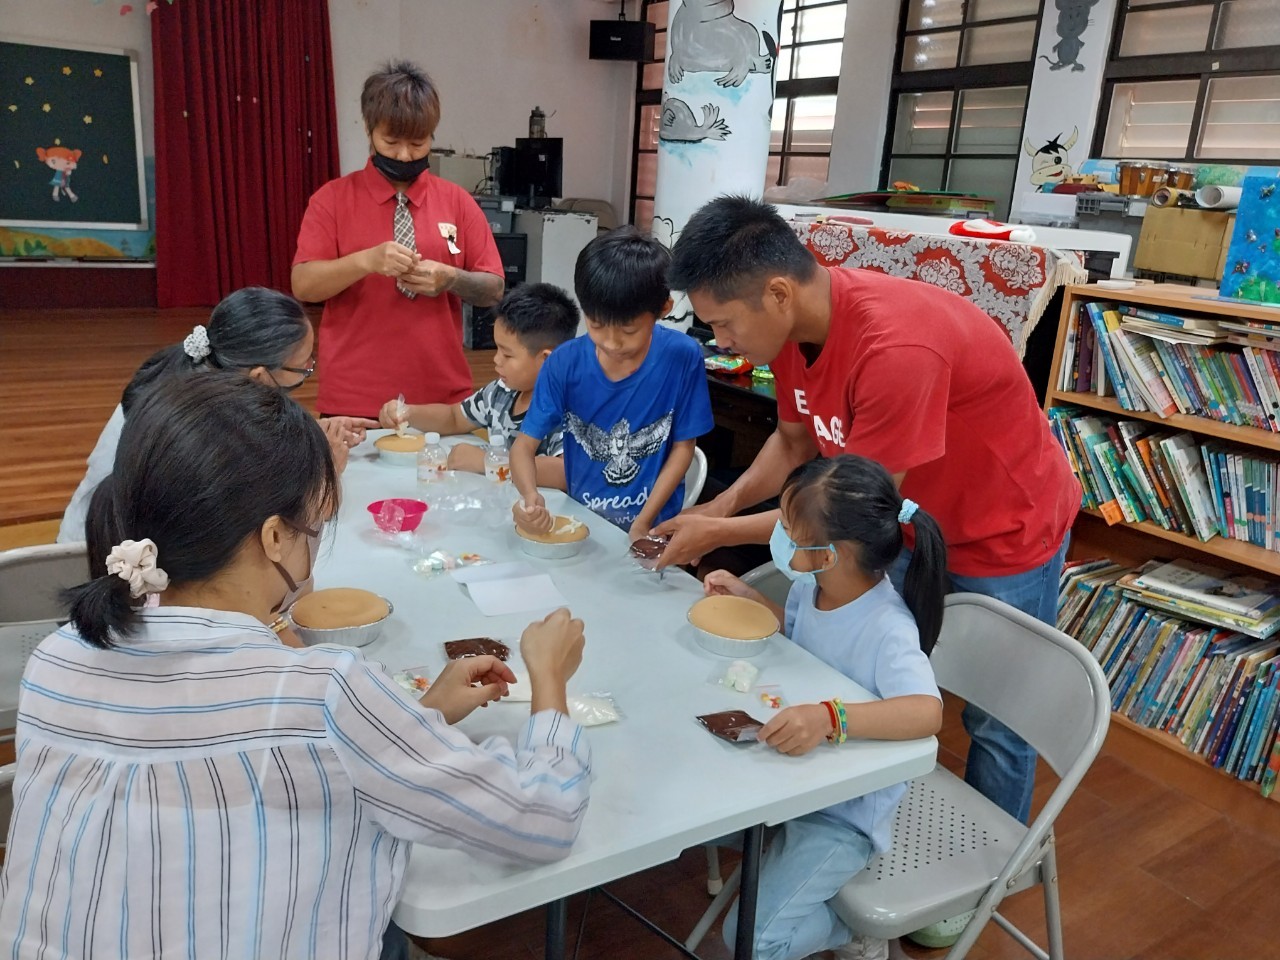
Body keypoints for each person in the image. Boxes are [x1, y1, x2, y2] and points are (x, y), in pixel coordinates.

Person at [0, 372, 591, 960]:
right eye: (315, 523)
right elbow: (541, 819)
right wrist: (548, 682)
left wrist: (414, 718)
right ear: (275, 537)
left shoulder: (56, 660)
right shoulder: (324, 692)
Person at [657, 196, 1080, 833]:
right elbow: (793, 443)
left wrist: (715, 532)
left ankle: (988, 862)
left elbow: (846, 511)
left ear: (777, 294)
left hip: (1005, 530)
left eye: (723, 324)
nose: (721, 342)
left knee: (998, 720)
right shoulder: (793, 332)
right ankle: (863, 823)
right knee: (873, 673)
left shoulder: (896, 349)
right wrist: (718, 505)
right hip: (905, 519)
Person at [704, 455, 945, 960]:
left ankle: (851, 931)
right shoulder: (812, 588)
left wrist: (831, 718)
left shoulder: (888, 627)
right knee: (694, 812)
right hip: (793, 783)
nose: (781, 536)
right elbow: (803, 638)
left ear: (832, 554)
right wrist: (749, 598)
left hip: (842, 815)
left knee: (750, 942)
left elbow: (927, 711)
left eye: (790, 530)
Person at [57, 287, 376, 544]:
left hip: (104, 544)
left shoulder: (195, 378)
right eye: (304, 367)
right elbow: (285, 528)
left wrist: (308, 435)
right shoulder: (205, 432)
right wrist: (327, 469)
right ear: (260, 377)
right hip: (114, 568)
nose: (309, 370)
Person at [291, 60, 504, 418]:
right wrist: (366, 261)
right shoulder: (331, 200)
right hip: (353, 399)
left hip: (442, 401)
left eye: (418, 143)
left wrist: (451, 278)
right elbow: (303, 285)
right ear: (369, 129)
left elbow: (494, 288)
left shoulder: (458, 202)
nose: (405, 155)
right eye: (391, 142)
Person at [510, 227, 713, 539]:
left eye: (629, 331)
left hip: (653, 529)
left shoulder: (682, 357)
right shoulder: (564, 364)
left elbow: (683, 447)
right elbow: (524, 447)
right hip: (583, 525)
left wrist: (644, 521)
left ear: (664, 309)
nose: (611, 343)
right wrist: (529, 496)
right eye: (597, 325)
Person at [376, 282, 579, 490]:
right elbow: (454, 417)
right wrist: (409, 414)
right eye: (497, 349)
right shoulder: (502, 392)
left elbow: (564, 472)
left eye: (507, 354)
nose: (496, 359)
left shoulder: (567, 408)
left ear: (546, 360)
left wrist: (486, 461)